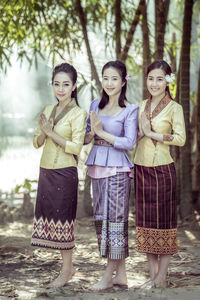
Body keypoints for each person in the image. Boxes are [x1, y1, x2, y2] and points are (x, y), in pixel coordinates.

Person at [31, 62, 87, 288]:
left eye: (66, 84)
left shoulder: (79, 113)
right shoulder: (47, 109)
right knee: (52, 221)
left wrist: (52, 132)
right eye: (57, 84)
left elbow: (75, 147)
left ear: (74, 86)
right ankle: (66, 268)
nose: (61, 89)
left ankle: (67, 270)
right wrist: (44, 133)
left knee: (64, 221)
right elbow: (36, 142)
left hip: (65, 172)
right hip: (46, 170)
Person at [84, 60, 138, 291]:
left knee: (115, 222)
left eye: (114, 78)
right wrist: (88, 134)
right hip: (97, 167)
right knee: (101, 219)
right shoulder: (95, 104)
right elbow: (87, 136)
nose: (109, 82)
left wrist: (101, 133)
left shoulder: (130, 109)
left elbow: (129, 142)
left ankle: (107, 275)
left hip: (118, 170)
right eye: (105, 78)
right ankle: (121, 274)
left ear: (123, 81)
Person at [133, 60, 186, 288]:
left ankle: (162, 277)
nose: (154, 83)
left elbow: (181, 139)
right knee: (145, 224)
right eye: (151, 78)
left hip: (163, 170)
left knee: (164, 224)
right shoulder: (141, 104)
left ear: (167, 81)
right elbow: (134, 138)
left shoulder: (174, 108)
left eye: (160, 79)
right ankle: (152, 275)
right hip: (141, 168)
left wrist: (153, 134)